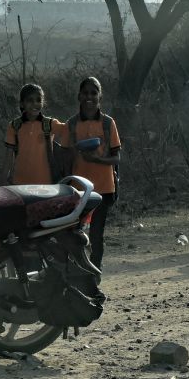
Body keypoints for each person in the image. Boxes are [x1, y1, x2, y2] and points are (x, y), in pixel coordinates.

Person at [64, 77, 121, 269]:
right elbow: (65, 157)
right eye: (85, 93)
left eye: (93, 93)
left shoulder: (108, 123)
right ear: (79, 96)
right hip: (77, 189)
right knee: (75, 232)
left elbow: (116, 158)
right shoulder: (71, 124)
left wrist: (96, 160)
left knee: (97, 234)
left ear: (100, 96)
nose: (89, 97)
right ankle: (78, 270)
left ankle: (95, 270)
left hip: (103, 187)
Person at [4, 83, 68, 185]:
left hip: (45, 183)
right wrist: (3, 181)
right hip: (19, 183)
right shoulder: (14, 126)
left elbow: (71, 130)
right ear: (22, 104)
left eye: (38, 100)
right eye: (30, 100)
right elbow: (8, 157)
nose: (35, 104)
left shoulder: (50, 124)